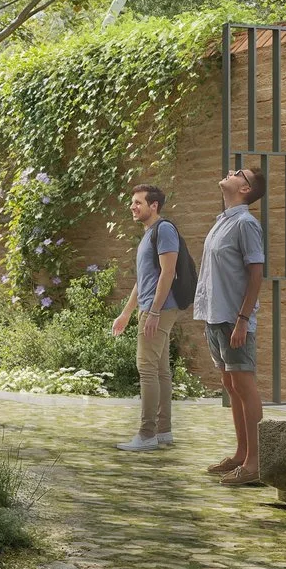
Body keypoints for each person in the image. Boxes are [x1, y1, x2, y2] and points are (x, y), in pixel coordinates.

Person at [194, 166, 268, 483]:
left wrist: (242, 319)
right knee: (230, 385)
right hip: (215, 315)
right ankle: (240, 454)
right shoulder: (222, 222)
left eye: (239, 173)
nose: (230, 172)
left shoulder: (246, 224)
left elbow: (256, 273)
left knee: (244, 384)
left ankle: (255, 463)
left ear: (245, 189)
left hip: (234, 318)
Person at [109, 182, 186, 452]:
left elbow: (168, 272)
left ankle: (146, 434)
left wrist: (153, 311)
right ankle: (163, 431)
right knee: (161, 371)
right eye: (132, 201)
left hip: (160, 309)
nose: (133, 206)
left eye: (138, 202)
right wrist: (126, 313)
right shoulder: (149, 234)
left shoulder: (163, 230)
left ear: (154, 206)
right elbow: (143, 280)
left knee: (147, 370)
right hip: (154, 308)